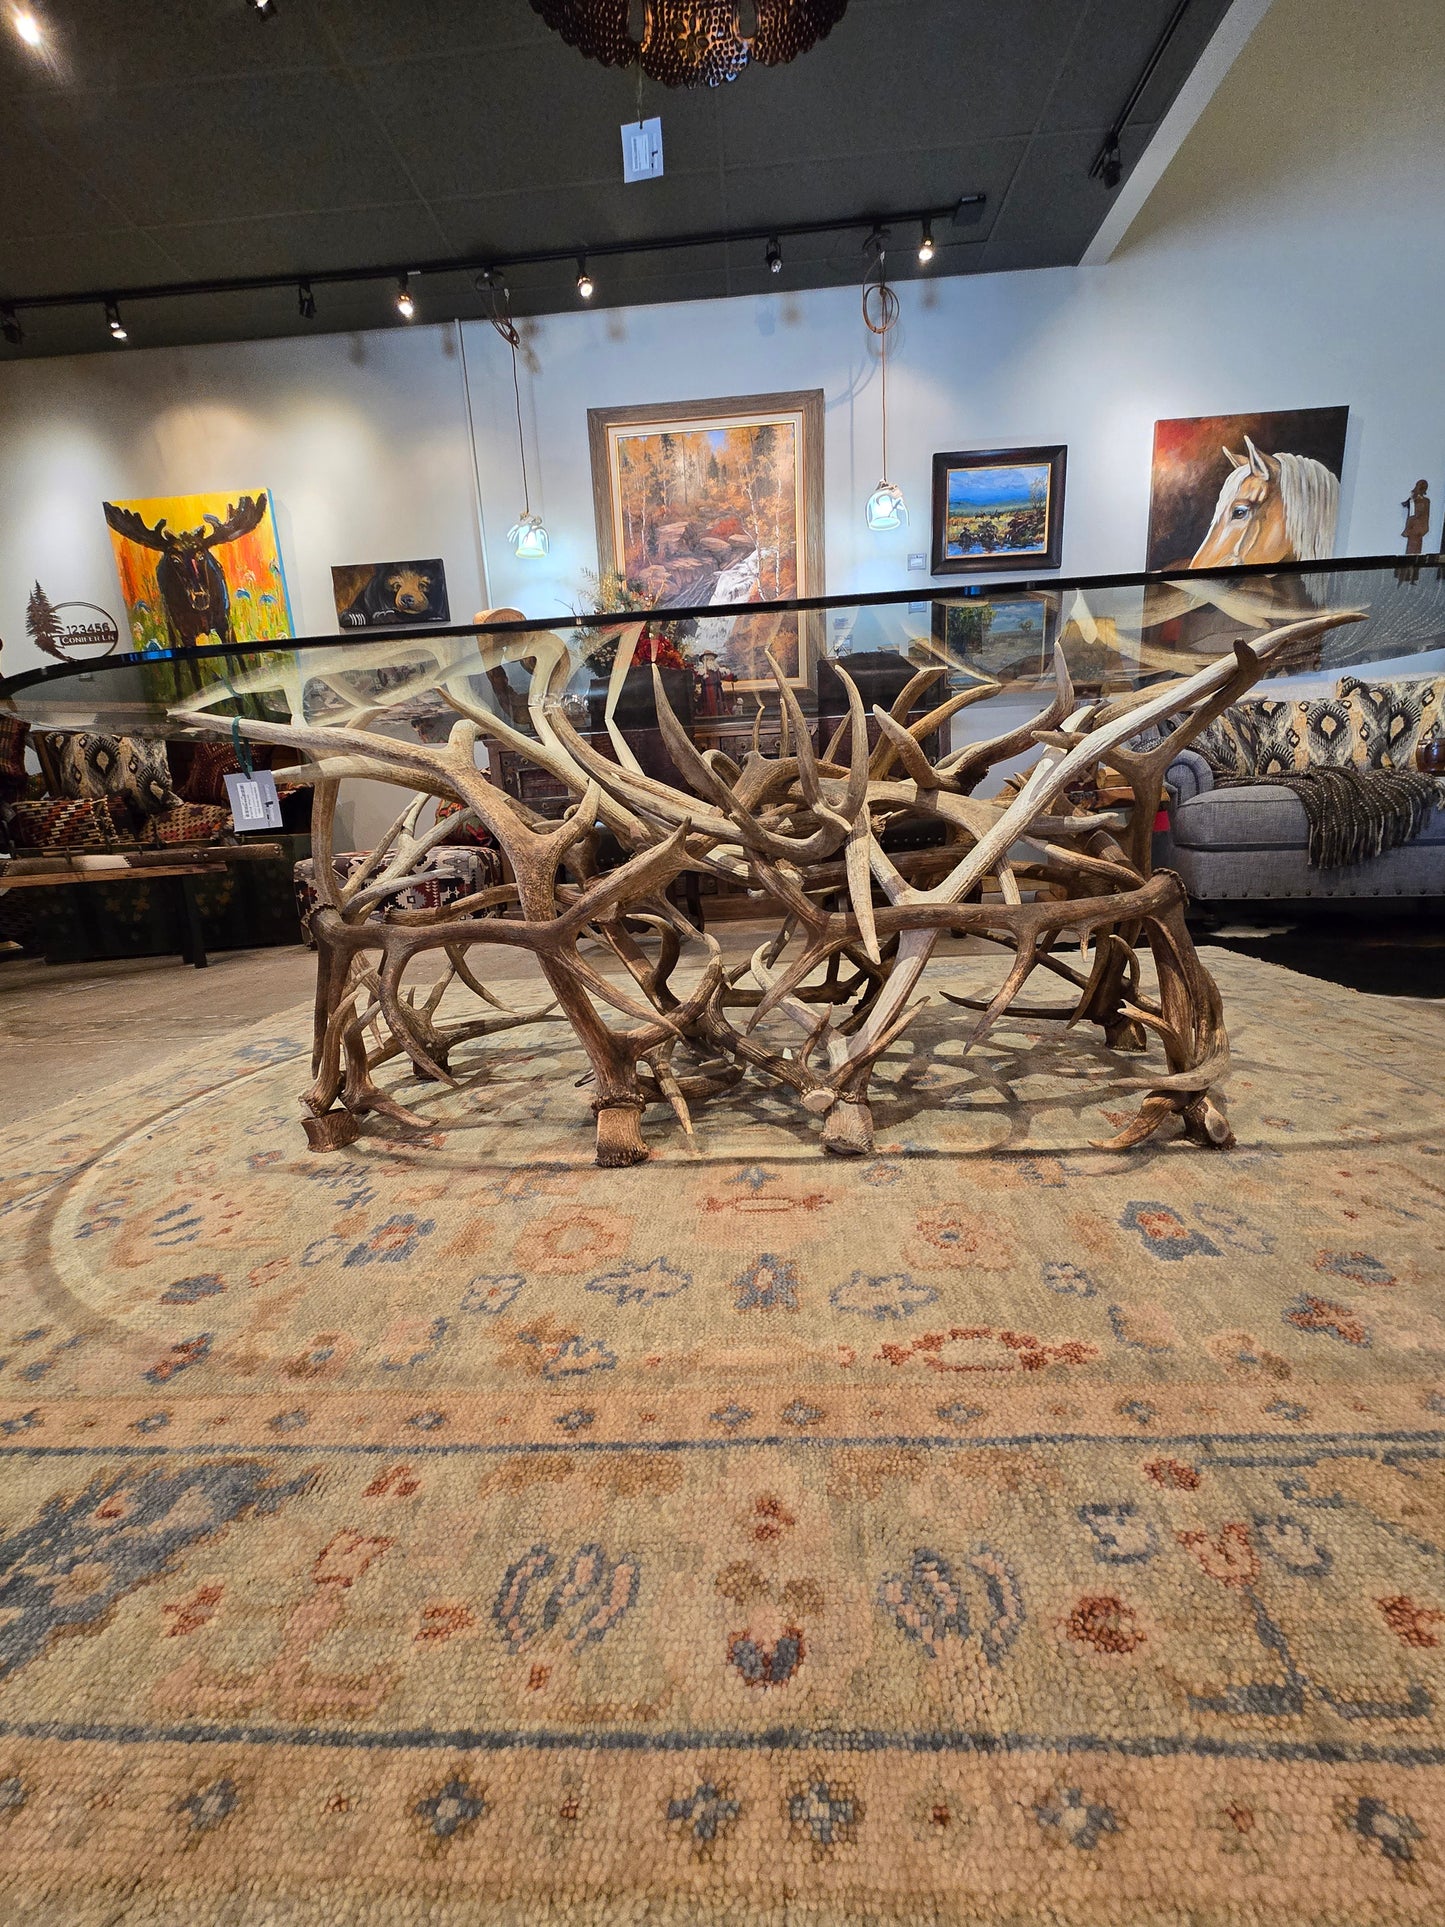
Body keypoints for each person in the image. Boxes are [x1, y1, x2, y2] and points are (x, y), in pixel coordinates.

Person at [1402, 479, 1432, 555]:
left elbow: (1426, 514)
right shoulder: (1413, 500)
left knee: (1416, 545)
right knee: (1412, 546)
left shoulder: (1426, 501)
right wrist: (1408, 527)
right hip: (1414, 527)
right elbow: (1412, 514)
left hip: (1420, 527)